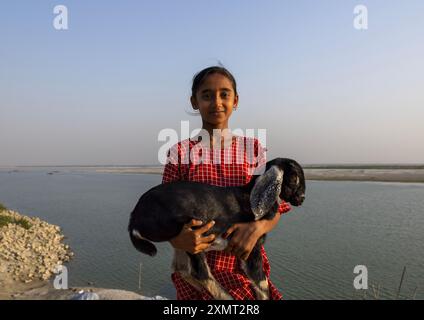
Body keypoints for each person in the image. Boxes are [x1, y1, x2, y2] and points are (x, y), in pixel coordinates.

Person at [162, 66, 291, 300]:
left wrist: (257, 228)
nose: (217, 102)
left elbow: (273, 209)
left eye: (224, 94)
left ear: (236, 100)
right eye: (207, 95)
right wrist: (179, 238)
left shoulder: (253, 150)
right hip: (197, 276)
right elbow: (163, 215)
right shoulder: (179, 153)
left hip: (246, 269)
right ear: (194, 101)